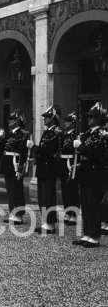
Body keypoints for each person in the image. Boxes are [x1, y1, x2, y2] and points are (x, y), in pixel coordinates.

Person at [72, 102, 106, 248]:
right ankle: (87, 233)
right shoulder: (86, 134)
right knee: (85, 204)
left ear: (98, 119)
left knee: (94, 205)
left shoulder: (102, 135)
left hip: (95, 173)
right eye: (88, 117)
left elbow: (97, 155)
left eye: (92, 117)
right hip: (85, 172)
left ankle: (95, 236)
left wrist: (81, 147)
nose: (89, 119)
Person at [27, 105, 62, 234]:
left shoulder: (55, 133)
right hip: (43, 167)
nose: (44, 119)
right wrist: (36, 157)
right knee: (42, 196)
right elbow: (43, 152)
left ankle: (51, 223)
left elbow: (49, 151)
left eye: (47, 117)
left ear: (53, 119)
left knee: (49, 196)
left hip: (49, 168)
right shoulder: (48, 132)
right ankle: (46, 221)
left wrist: (34, 148)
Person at [0, 109, 29, 225]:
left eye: (11, 120)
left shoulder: (23, 134)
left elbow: (24, 153)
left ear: (17, 121)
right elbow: (3, 148)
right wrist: (1, 139)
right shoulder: (9, 134)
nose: (9, 121)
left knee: (17, 189)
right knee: (10, 189)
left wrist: (21, 168)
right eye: (9, 119)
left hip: (15, 163)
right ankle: (12, 212)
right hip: (8, 163)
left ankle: (19, 215)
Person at [58, 111, 80, 226]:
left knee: (72, 190)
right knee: (65, 190)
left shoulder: (75, 135)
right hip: (63, 162)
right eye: (65, 121)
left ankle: (74, 214)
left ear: (73, 123)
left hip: (71, 162)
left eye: (68, 121)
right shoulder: (64, 134)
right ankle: (67, 211)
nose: (65, 123)